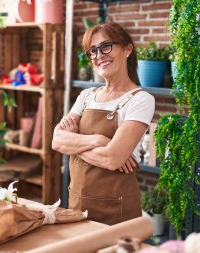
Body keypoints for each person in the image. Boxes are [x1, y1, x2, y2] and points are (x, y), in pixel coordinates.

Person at [52, 22, 155, 225]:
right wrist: (99, 140)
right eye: (92, 51)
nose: (99, 55)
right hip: (77, 203)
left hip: (116, 212)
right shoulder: (86, 95)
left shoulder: (140, 99)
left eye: (106, 46)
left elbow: (112, 160)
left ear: (127, 49)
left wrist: (74, 145)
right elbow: (56, 141)